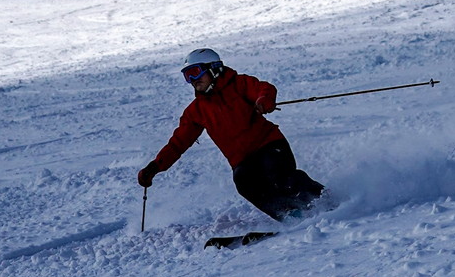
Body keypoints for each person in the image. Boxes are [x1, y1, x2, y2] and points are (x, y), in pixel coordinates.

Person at [137, 48, 326, 220]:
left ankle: (323, 199)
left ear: (214, 69)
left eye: (195, 72)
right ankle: (289, 214)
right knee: (244, 183)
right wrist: (154, 167)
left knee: (278, 175)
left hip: (269, 144)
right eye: (187, 76)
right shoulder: (196, 111)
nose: (193, 80)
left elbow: (263, 88)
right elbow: (177, 144)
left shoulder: (238, 84)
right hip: (242, 160)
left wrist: (264, 100)